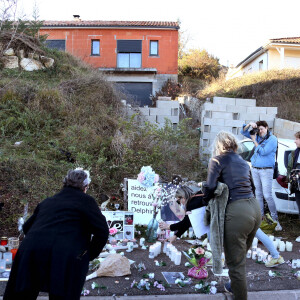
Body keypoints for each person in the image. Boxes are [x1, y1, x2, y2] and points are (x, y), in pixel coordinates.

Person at [4, 168, 109, 300]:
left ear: (65, 183)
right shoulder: (87, 201)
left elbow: (26, 227)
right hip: (65, 255)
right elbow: (102, 232)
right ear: (85, 187)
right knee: (62, 294)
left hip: (31, 251)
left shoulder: (48, 201)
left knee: (23, 294)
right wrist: (88, 254)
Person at [204, 131, 261, 300]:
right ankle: (233, 285)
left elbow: (209, 187)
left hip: (237, 212)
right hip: (254, 208)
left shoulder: (217, 160)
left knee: (236, 264)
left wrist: (204, 204)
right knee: (239, 256)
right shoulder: (243, 162)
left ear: (219, 145)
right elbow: (254, 188)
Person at [241, 121, 281, 231]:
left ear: (267, 128)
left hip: (266, 170)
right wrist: (249, 125)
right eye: (259, 129)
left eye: (262, 129)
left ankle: (275, 221)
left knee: (267, 195)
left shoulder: (272, 139)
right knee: (258, 194)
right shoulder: (258, 135)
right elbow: (242, 132)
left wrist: (254, 140)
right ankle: (261, 219)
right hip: (255, 169)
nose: (260, 131)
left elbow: (263, 152)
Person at [287, 131, 300, 242]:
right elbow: (291, 168)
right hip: (297, 187)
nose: (294, 141)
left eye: (297, 139)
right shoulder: (295, 152)